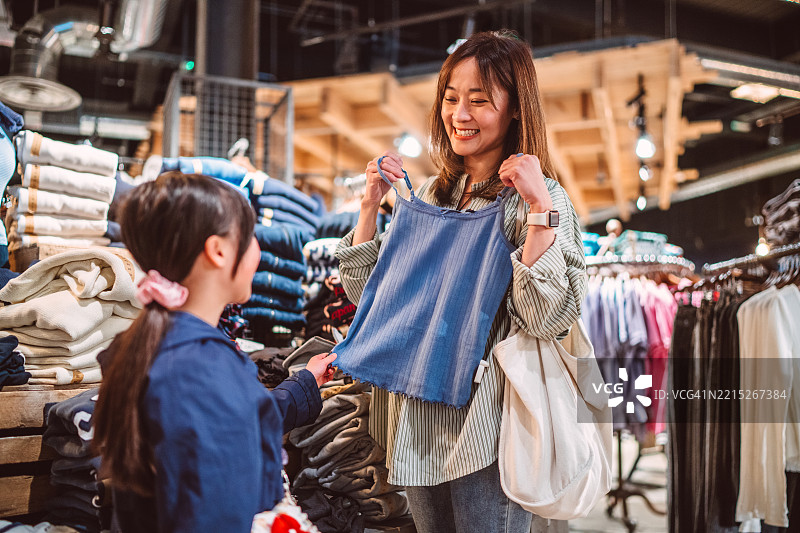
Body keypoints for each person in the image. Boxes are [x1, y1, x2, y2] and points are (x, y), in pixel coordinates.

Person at [334, 30, 587, 533]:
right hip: (420, 421)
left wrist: (539, 210)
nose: (460, 115)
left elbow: (546, 318)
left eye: (479, 101)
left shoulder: (541, 199)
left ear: (516, 109)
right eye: (451, 99)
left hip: (488, 430)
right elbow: (372, 300)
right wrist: (370, 206)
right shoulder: (434, 191)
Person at [92, 171, 337, 533]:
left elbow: (227, 421)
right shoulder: (200, 370)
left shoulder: (158, 345)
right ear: (218, 251)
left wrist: (303, 385)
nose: (257, 248)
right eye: (250, 236)